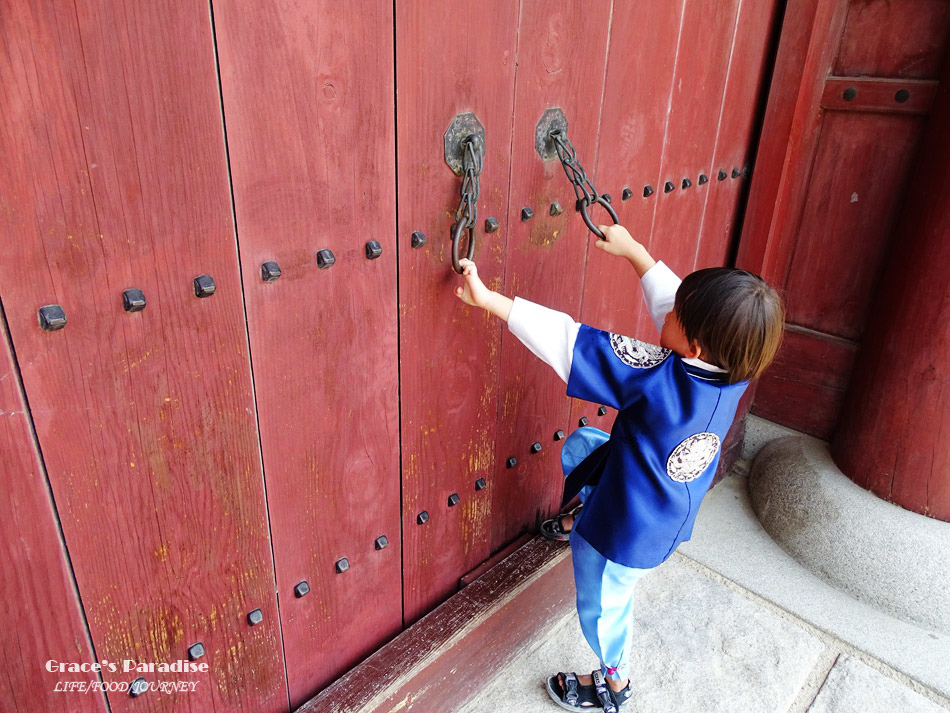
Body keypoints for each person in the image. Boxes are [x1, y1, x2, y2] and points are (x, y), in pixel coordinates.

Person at [453, 223, 784, 712]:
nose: (665, 312)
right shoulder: (733, 371)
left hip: (623, 535)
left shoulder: (659, 377)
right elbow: (684, 313)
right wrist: (635, 253)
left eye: (676, 315)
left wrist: (492, 301)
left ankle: (614, 682)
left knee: (603, 605)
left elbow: (572, 344)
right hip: (662, 506)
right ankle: (583, 511)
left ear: (691, 347)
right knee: (587, 447)